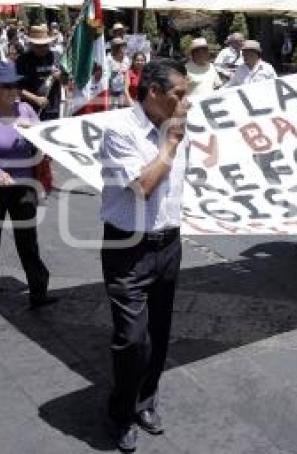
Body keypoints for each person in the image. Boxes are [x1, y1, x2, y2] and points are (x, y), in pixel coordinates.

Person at [99, 59, 190, 453]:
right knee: (131, 340)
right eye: (179, 95)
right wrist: (169, 145)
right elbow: (142, 188)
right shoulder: (120, 130)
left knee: (159, 333)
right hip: (128, 248)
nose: (187, 103)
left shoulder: (179, 128)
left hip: (168, 245)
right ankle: (120, 414)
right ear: (153, 93)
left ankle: (146, 401)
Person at [0, 61, 56, 308]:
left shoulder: (26, 110)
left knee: (27, 237)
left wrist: (36, 133)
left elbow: (47, 139)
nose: (12, 91)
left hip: (23, 183)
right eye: (5, 87)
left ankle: (39, 290)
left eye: (15, 86)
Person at [17, 25, 60, 121]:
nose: (42, 48)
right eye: (38, 46)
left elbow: (67, 81)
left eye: (45, 45)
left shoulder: (56, 56)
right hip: (30, 110)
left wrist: (60, 76)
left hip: (52, 109)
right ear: (31, 44)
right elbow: (17, 88)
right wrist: (35, 99)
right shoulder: (23, 60)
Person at [105, 38, 130, 108]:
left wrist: (126, 89)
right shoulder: (108, 58)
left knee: (122, 110)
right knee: (113, 110)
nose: (120, 48)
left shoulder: (126, 59)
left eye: (122, 45)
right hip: (111, 91)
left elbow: (127, 74)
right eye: (117, 46)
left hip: (123, 91)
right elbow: (106, 76)